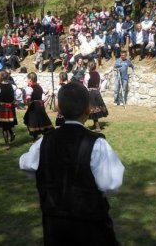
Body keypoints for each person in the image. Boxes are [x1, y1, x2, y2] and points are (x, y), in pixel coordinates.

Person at [19, 82, 124, 245]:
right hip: (90, 226)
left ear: (59, 109)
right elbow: (111, 184)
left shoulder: (43, 142)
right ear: (88, 110)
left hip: (55, 225)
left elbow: (26, 165)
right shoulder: (97, 144)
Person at [23, 72, 54, 142]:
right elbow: (49, 93)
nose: (27, 81)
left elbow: (28, 98)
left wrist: (27, 103)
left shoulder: (29, 88)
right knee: (41, 119)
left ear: (30, 80)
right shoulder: (40, 86)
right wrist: (43, 101)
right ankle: (42, 135)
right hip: (40, 105)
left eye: (27, 79)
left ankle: (35, 137)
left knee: (31, 120)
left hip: (33, 106)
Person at [0, 71, 17, 150]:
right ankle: (11, 133)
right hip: (11, 107)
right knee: (7, 124)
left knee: (4, 127)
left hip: (3, 107)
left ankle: (7, 144)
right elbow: (16, 95)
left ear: (0, 77)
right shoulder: (12, 86)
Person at [85, 61, 108, 132]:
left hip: (91, 93)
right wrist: (100, 88)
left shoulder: (87, 75)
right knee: (95, 109)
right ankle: (95, 125)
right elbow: (104, 80)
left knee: (93, 109)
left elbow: (85, 84)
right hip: (97, 93)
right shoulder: (99, 74)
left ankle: (97, 127)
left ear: (89, 67)